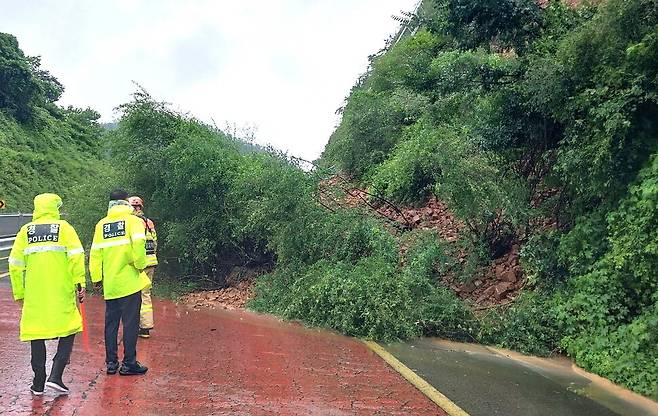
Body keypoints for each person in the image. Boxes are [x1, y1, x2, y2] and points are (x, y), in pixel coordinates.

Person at [8, 193, 86, 395]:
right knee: (70, 326)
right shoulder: (65, 229)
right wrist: (80, 283)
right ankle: (56, 375)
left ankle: (38, 381)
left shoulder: (25, 232)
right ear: (55, 209)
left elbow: (15, 265)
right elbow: (76, 257)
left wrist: (19, 293)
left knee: (36, 332)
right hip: (61, 289)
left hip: (34, 292)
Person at [90, 189, 150, 376]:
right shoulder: (133, 221)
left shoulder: (102, 225)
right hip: (130, 282)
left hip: (111, 284)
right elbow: (139, 246)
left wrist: (96, 278)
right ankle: (129, 363)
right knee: (130, 324)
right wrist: (140, 265)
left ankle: (111, 363)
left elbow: (95, 253)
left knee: (111, 325)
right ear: (125, 202)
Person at [128, 196, 157, 338]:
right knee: (146, 294)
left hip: (140, 264)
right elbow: (155, 242)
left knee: (134, 295)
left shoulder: (132, 222)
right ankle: (145, 328)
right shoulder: (149, 222)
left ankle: (135, 326)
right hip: (151, 262)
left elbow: (134, 245)